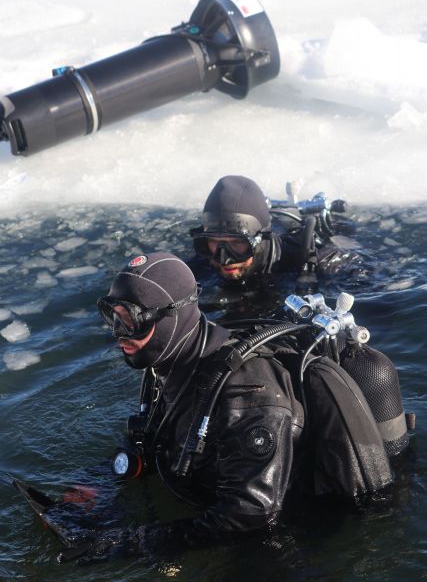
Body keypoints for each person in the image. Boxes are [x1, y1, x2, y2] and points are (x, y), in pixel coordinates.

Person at [16, 252, 409, 563]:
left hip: (289, 545)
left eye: (132, 321)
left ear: (172, 318)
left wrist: (129, 543)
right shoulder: (170, 363)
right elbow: (148, 438)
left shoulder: (248, 399)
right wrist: (88, 492)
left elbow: (250, 515)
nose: (119, 334)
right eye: (112, 317)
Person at [190, 175, 364, 294]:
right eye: (214, 242)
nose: (224, 259)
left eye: (237, 243)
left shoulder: (311, 262)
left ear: (260, 240)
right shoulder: (206, 261)